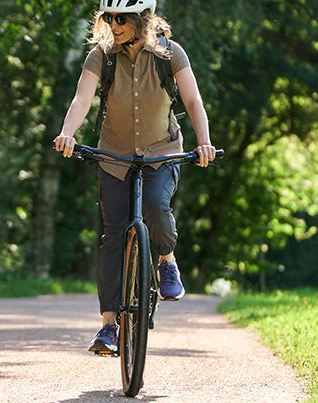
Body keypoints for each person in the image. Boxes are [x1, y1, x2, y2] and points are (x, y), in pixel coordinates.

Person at [52, 0, 218, 355]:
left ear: (141, 20)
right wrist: (68, 132)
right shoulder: (102, 56)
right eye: (107, 18)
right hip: (114, 157)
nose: (113, 25)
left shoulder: (169, 53)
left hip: (161, 152)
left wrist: (204, 143)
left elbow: (193, 100)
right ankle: (108, 327)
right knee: (113, 236)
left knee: (157, 208)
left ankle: (166, 261)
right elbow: (82, 99)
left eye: (120, 19)